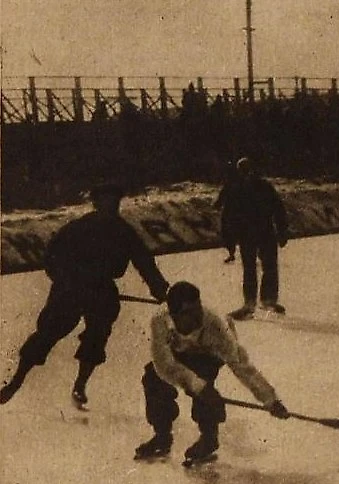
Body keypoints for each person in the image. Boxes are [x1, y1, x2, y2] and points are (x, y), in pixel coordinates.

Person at [0, 182, 169, 408]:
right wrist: (64, 279)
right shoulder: (78, 228)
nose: (111, 206)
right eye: (106, 201)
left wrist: (160, 290)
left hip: (101, 291)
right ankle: (15, 381)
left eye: (115, 202)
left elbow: (144, 262)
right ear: (96, 203)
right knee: (47, 334)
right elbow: (52, 256)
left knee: (96, 338)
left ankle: (80, 385)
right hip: (70, 289)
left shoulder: (124, 232)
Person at [134, 281, 290, 464]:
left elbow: (242, 367)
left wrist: (270, 399)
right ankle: (162, 435)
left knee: (205, 382)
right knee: (153, 379)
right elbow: (164, 364)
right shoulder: (160, 320)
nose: (197, 316)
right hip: (180, 352)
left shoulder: (217, 326)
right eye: (189, 313)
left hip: (208, 352)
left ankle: (209, 437)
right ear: (175, 314)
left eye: (198, 308)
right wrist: (195, 385)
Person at [218, 158, 289, 319]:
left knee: (266, 266)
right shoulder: (238, 189)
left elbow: (278, 209)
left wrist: (282, 231)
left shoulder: (261, 187)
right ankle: (253, 302)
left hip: (263, 232)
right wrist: (229, 241)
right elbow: (228, 216)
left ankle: (266, 300)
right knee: (253, 267)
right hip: (250, 234)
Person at [213, 161, 241, 263]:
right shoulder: (242, 183)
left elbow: (221, 199)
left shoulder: (228, 185)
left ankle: (232, 253)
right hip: (240, 212)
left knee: (227, 234)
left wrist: (216, 205)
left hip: (229, 212)